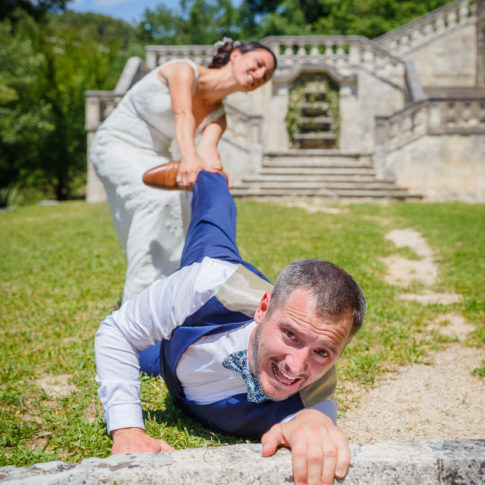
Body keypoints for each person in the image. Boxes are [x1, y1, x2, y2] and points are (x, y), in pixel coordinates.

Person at [95, 170, 366, 485]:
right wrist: (128, 430)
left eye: (322, 352)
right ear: (263, 310)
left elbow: (317, 419)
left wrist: (313, 421)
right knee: (213, 218)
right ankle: (207, 173)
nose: (296, 366)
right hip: (215, 278)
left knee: (140, 351)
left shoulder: (315, 393)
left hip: (169, 362)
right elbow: (117, 333)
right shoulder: (208, 283)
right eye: (290, 335)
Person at [90, 38, 277, 302]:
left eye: (265, 76)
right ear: (236, 55)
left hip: (156, 156)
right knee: (159, 200)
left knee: (186, 208)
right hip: (116, 144)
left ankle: (170, 298)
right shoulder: (183, 70)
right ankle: (138, 302)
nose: (259, 75)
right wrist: (188, 157)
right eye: (258, 64)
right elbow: (183, 114)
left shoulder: (219, 116)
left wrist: (216, 176)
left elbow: (208, 152)